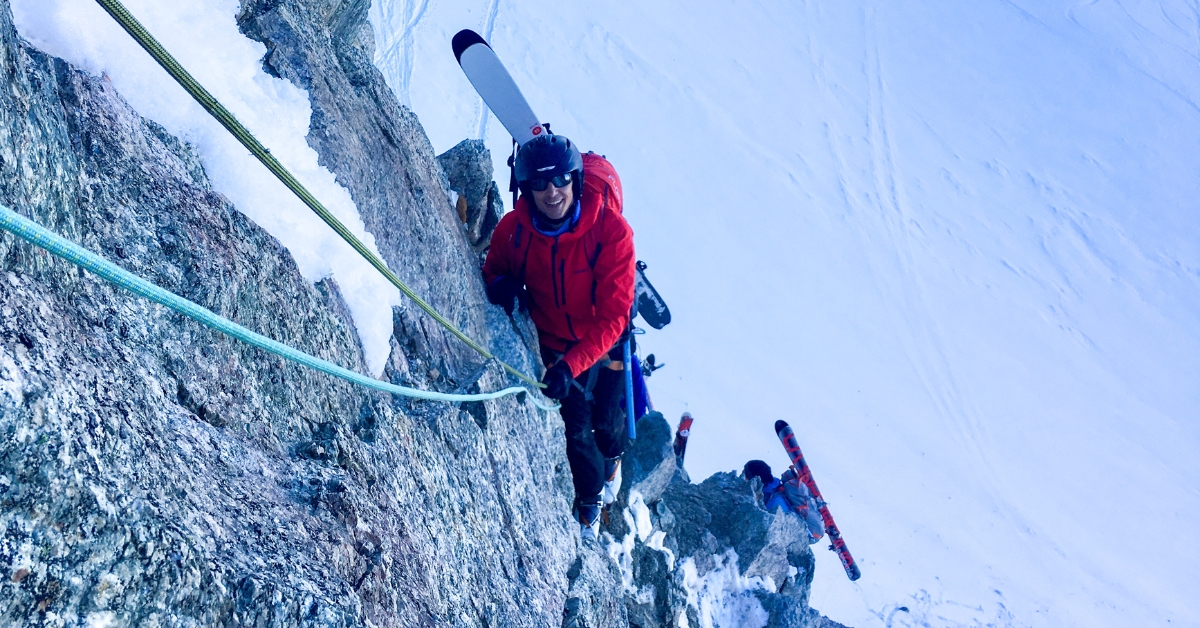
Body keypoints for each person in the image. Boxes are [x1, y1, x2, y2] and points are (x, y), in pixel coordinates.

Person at [482, 133, 636, 537]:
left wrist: (571, 365)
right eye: (539, 183)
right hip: (553, 341)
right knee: (575, 426)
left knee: (604, 423)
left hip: (601, 341)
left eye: (561, 180)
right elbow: (493, 266)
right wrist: (500, 284)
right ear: (526, 188)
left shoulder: (611, 232)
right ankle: (590, 499)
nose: (552, 193)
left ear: (576, 181)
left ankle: (615, 454)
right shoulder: (514, 230)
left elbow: (614, 316)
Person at [743, 460, 825, 544]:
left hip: (798, 535)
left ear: (756, 479)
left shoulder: (774, 505)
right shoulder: (774, 483)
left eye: (746, 476)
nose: (743, 478)